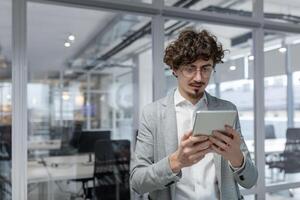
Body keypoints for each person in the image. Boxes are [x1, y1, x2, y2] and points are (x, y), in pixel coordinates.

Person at [130, 28, 258, 200]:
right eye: (190, 69)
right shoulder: (152, 114)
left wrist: (237, 158)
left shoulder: (227, 109)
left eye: (206, 69)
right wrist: (176, 162)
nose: (199, 78)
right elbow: (137, 181)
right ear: (175, 69)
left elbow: (250, 181)